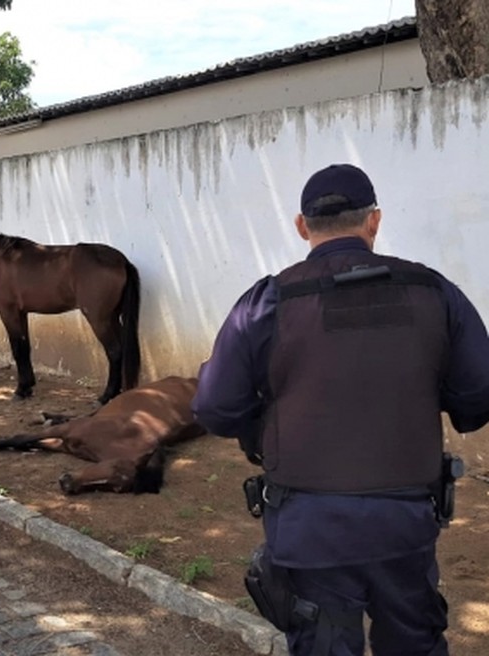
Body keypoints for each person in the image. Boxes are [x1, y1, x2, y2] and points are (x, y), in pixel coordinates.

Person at [191, 163, 489, 656]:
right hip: (406, 524)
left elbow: (214, 406)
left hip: (309, 528)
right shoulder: (436, 293)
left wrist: (261, 432)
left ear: (302, 227)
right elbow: (477, 401)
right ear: (374, 221)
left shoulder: (268, 301)